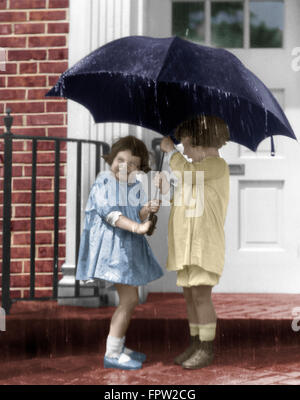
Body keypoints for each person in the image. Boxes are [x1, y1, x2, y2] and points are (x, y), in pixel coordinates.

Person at [76, 135, 163, 370]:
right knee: (129, 299)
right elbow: (112, 214)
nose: (124, 166)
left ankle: (118, 346)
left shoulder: (132, 185)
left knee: (129, 300)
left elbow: (136, 214)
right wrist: (137, 227)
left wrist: (147, 209)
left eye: (132, 163)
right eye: (120, 159)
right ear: (112, 158)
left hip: (126, 249)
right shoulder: (104, 182)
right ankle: (113, 354)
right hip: (112, 250)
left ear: (139, 167)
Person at [155, 115, 230, 369]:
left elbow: (188, 173)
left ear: (201, 142)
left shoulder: (216, 166)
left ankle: (207, 348)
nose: (184, 151)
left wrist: (171, 151)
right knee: (189, 295)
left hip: (202, 245)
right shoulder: (195, 170)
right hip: (185, 244)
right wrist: (163, 187)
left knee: (201, 295)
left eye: (187, 145)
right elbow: (183, 194)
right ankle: (196, 342)